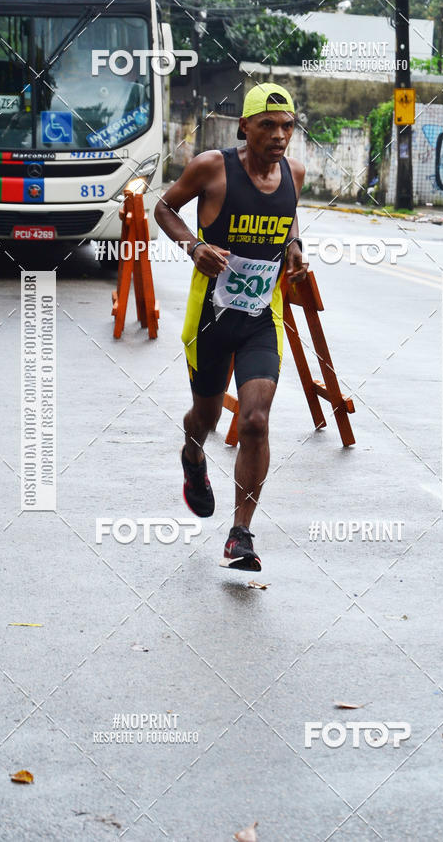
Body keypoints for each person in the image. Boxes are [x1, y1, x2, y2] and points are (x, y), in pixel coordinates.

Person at [155, 83, 307, 570]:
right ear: (244, 126)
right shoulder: (212, 168)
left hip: (262, 318)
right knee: (206, 418)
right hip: (210, 320)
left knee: (256, 420)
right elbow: (164, 207)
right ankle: (193, 455)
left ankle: (240, 534)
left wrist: (294, 249)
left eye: (287, 126)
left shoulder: (294, 174)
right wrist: (193, 246)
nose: (280, 135)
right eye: (268, 125)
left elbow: (289, 219)